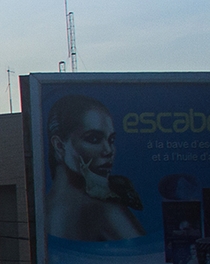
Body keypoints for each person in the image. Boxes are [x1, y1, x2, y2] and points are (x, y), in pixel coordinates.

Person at [44, 94, 144, 241]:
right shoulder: (103, 210)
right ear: (59, 145)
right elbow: (147, 260)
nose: (108, 150)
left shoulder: (41, 209)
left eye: (111, 140)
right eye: (94, 139)